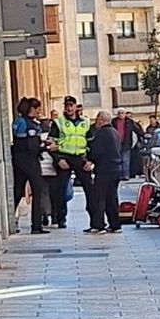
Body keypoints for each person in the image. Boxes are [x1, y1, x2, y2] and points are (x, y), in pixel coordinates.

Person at [48, 95, 92, 230]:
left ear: (76, 106)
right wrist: (58, 159)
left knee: (90, 189)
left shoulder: (85, 122)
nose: (69, 108)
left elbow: (91, 143)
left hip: (81, 158)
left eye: (71, 105)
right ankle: (60, 218)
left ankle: (95, 220)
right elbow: (51, 144)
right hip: (64, 158)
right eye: (67, 105)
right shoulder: (58, 123)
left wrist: (90, 160)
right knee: (60, 190)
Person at [10, 98, 47, 234]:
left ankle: (10, 220)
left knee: (18, 191)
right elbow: (32, 146)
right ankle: (36, 225)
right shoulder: (29, 124)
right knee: (37, 191)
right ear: (31, 109)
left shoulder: (18, 121)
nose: (39, 111)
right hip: (30, 161)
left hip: (18, 160)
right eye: (37, 109)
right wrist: (45, 147)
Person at [85, 111, 123, 234]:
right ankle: (115, 224)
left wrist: (90, 159)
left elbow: (96, 151)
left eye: (97, 119)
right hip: (116, 169)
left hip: (104, 169)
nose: (96, 122)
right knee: (112, 198)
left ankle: (98, 225)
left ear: (101, 120)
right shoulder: (116, 133)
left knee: (99, 198)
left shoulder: (101, 134)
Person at [112, 109, 143, 179]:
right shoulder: (114, 122)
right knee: (118, 160)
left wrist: (142, 135)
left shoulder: (129, 122)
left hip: (126, 143)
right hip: (116, 144)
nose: (120, 114)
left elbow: (137, 130)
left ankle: (125, 175)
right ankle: (119, 175)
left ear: (125, 114)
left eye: (122, 113)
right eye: (119, 113)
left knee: (125, 160)